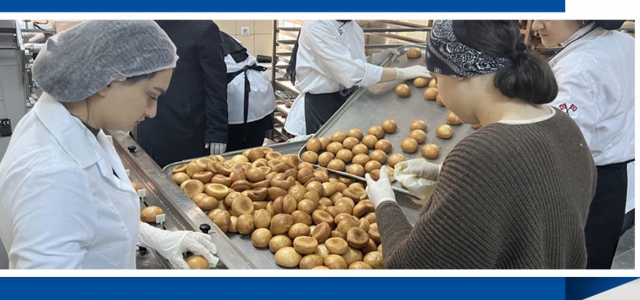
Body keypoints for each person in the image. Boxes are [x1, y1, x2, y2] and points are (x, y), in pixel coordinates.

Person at [365, 20, 597, 269]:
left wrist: (385, 203)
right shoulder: (563, 125)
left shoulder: (480, 154)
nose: (438, 90)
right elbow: (532, 204)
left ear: (460, 74)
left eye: (436, 78)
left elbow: (411, 268)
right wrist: (448, 178)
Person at [0, 20, 217, 269]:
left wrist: (155, 237)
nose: (153, 112)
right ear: (108, 81)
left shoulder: (73, 122)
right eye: (151, 96)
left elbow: (92, 219)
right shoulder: (54, 175)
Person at [532, 20, 635, 269]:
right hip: (621, 177)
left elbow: (565, 152)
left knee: (576, 265)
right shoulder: (624, 42)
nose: (536, 24)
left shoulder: (579, 70)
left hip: (592, 186)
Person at [284, 20, 430, 135]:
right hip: (321, 106)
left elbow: (353, 62)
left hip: (348, 100)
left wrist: (377, 60)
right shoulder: (317, 26)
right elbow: (349, 72)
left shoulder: (353, 26)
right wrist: (400, 73)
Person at [136, 20, 228, 167]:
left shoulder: (202, 28)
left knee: (184, 182)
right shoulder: (143, 26)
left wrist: (217, 131)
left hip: (185, 128)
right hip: (147, 125)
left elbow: (216, 84)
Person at [220, 31, 276, 151]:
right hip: (256, 95)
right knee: (251, 151)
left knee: (240, 154)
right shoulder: (222, 36)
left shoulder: (207, 40)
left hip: (241, 100)